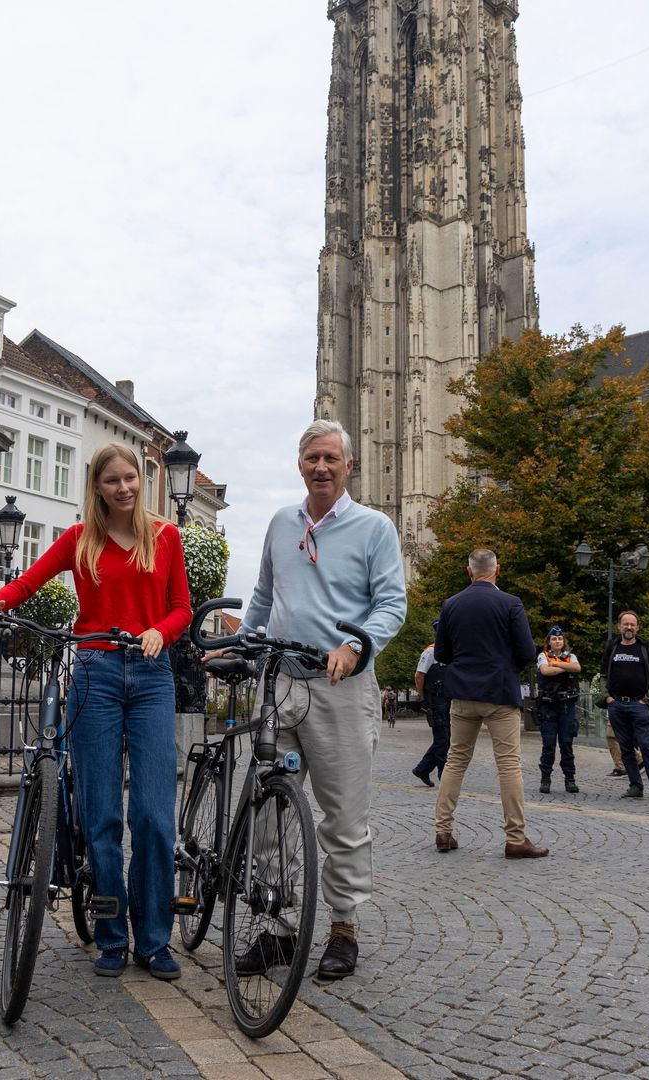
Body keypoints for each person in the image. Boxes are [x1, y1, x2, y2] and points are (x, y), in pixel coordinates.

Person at [0, 443, 191, 981]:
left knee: (155, 818)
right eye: (111, 481)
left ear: (142, 481)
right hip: (95, 675)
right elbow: (28, 583)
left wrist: (161, 630)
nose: (123, 488)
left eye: (130, 478)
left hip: (153, 677)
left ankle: (155, 939)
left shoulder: (166, 538)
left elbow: (182, 606)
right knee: (102, 814)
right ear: (96, 487)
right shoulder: (78, 540)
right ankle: (112, 935)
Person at [235, 419, 405, 980]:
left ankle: (343, 928)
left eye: (331, 458)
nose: (321, 467)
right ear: (300, 464)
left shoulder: (374, 528)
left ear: (348, 466)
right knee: (269, 807)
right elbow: (263, 596)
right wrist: (240, 645)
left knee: (343, 818)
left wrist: (356, 643)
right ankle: (277, 927)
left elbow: (392, 605)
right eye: (312, 458)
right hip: (281, 685)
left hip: (340, 690)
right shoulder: (282, 523)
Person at [433, 548, 547, 858]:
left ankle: (443, 830)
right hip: (499, 693)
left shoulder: (451, 605)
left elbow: (441, 654)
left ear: (469, 571)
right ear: (497, 570)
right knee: (508, 764)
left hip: (463, 695)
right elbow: (526, 652)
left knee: (455, 760)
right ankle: (515, 837)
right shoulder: (510, 604)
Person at [600, 611, 649, 802]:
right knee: (626, 748)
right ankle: (635, 786)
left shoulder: (647, 648)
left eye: (632, 624)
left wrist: (647, 698)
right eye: (625, 624)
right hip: (617, 704)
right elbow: (603, 674)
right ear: (619, 626)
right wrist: (607, 697)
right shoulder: (612, 647)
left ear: (637, 627)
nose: (629, 627)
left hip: (639, 705)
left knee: (646, 746)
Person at [535, 626, 581, 794]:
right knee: (548, 744)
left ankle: (570, 779)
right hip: (548, 706)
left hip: (566, 705)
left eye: (560, 639)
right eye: (554, 639)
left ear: (564, 641)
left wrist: (555, 664)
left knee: (567, 744)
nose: (557, 641)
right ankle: (545, 778)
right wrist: (563, 666)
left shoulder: (571, 656)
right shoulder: (543, 656)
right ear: (549, 641)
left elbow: (577, 668)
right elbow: (545, 671)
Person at [413, 634, 450, 786]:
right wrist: (425, 696)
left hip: (448, 699)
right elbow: (419, 676)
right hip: (436, 699)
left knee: (447, 740)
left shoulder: (452, 650)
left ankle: (423, 769)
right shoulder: (430, 651)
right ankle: (445, 776)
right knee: (442, 739)